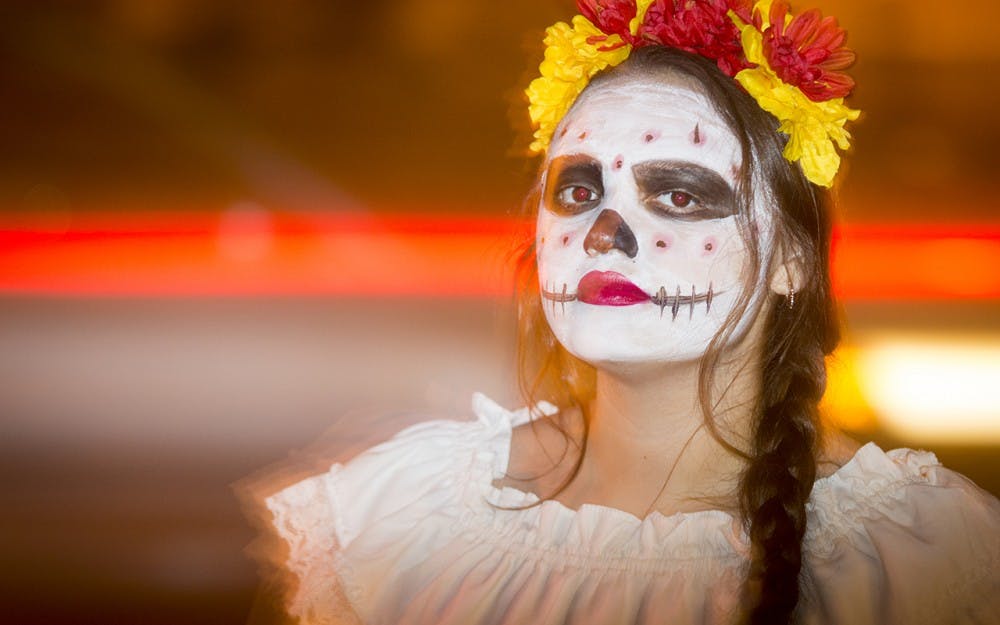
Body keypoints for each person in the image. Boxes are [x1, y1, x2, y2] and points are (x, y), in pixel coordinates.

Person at [248, 1, 1000, 624]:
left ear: (792, 263)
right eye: (578, 192)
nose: (607, 234)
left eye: (678, 194)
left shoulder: (928, 559)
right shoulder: (398, 522)